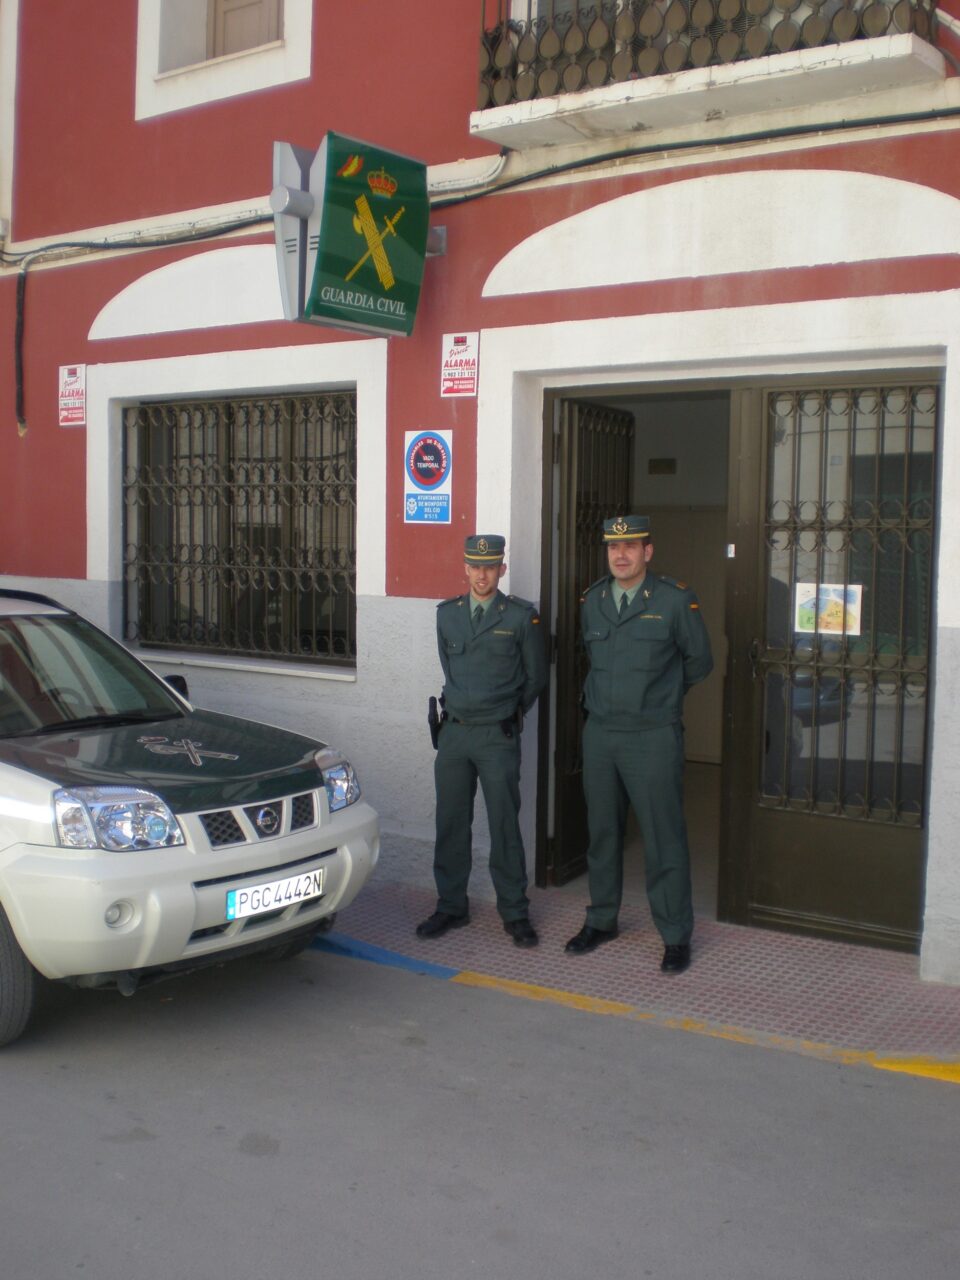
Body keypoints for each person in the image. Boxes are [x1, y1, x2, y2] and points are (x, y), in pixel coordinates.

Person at [564, 515, 713, 974]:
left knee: (662, 835)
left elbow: (699, 661)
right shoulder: (592, 601)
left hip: (652, 734)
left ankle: (674, 933)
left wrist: (661, 700)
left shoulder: (673, 600)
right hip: (602, 733)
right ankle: (602, 918)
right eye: (613, 547)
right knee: (603, 832)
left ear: (648, 552)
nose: (620, 555)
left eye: (630, 546)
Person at [417, 535, 548, 947]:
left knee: (504, 824)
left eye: (490, 567)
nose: (482, 574)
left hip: (496, 735)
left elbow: (536, 678)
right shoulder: (448, 616)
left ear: (501, 570)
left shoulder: (520, 618)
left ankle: (514, 911)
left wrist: (507, 713)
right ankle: (451, 905)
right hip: (454, 734)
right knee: (451, 822)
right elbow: (449, 667)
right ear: (465, 568)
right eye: (475, 566)